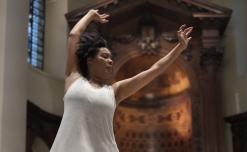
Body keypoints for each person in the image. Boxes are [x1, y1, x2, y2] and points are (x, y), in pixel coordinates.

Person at [50, 9, 193, 152]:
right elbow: (74, 36)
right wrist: (90, 16)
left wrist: (179, 47)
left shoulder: (115, 91)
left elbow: (154, 70)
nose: (110, 61)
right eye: (105, 56)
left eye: (111, 58)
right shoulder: (73, 78)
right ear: (90, 60)